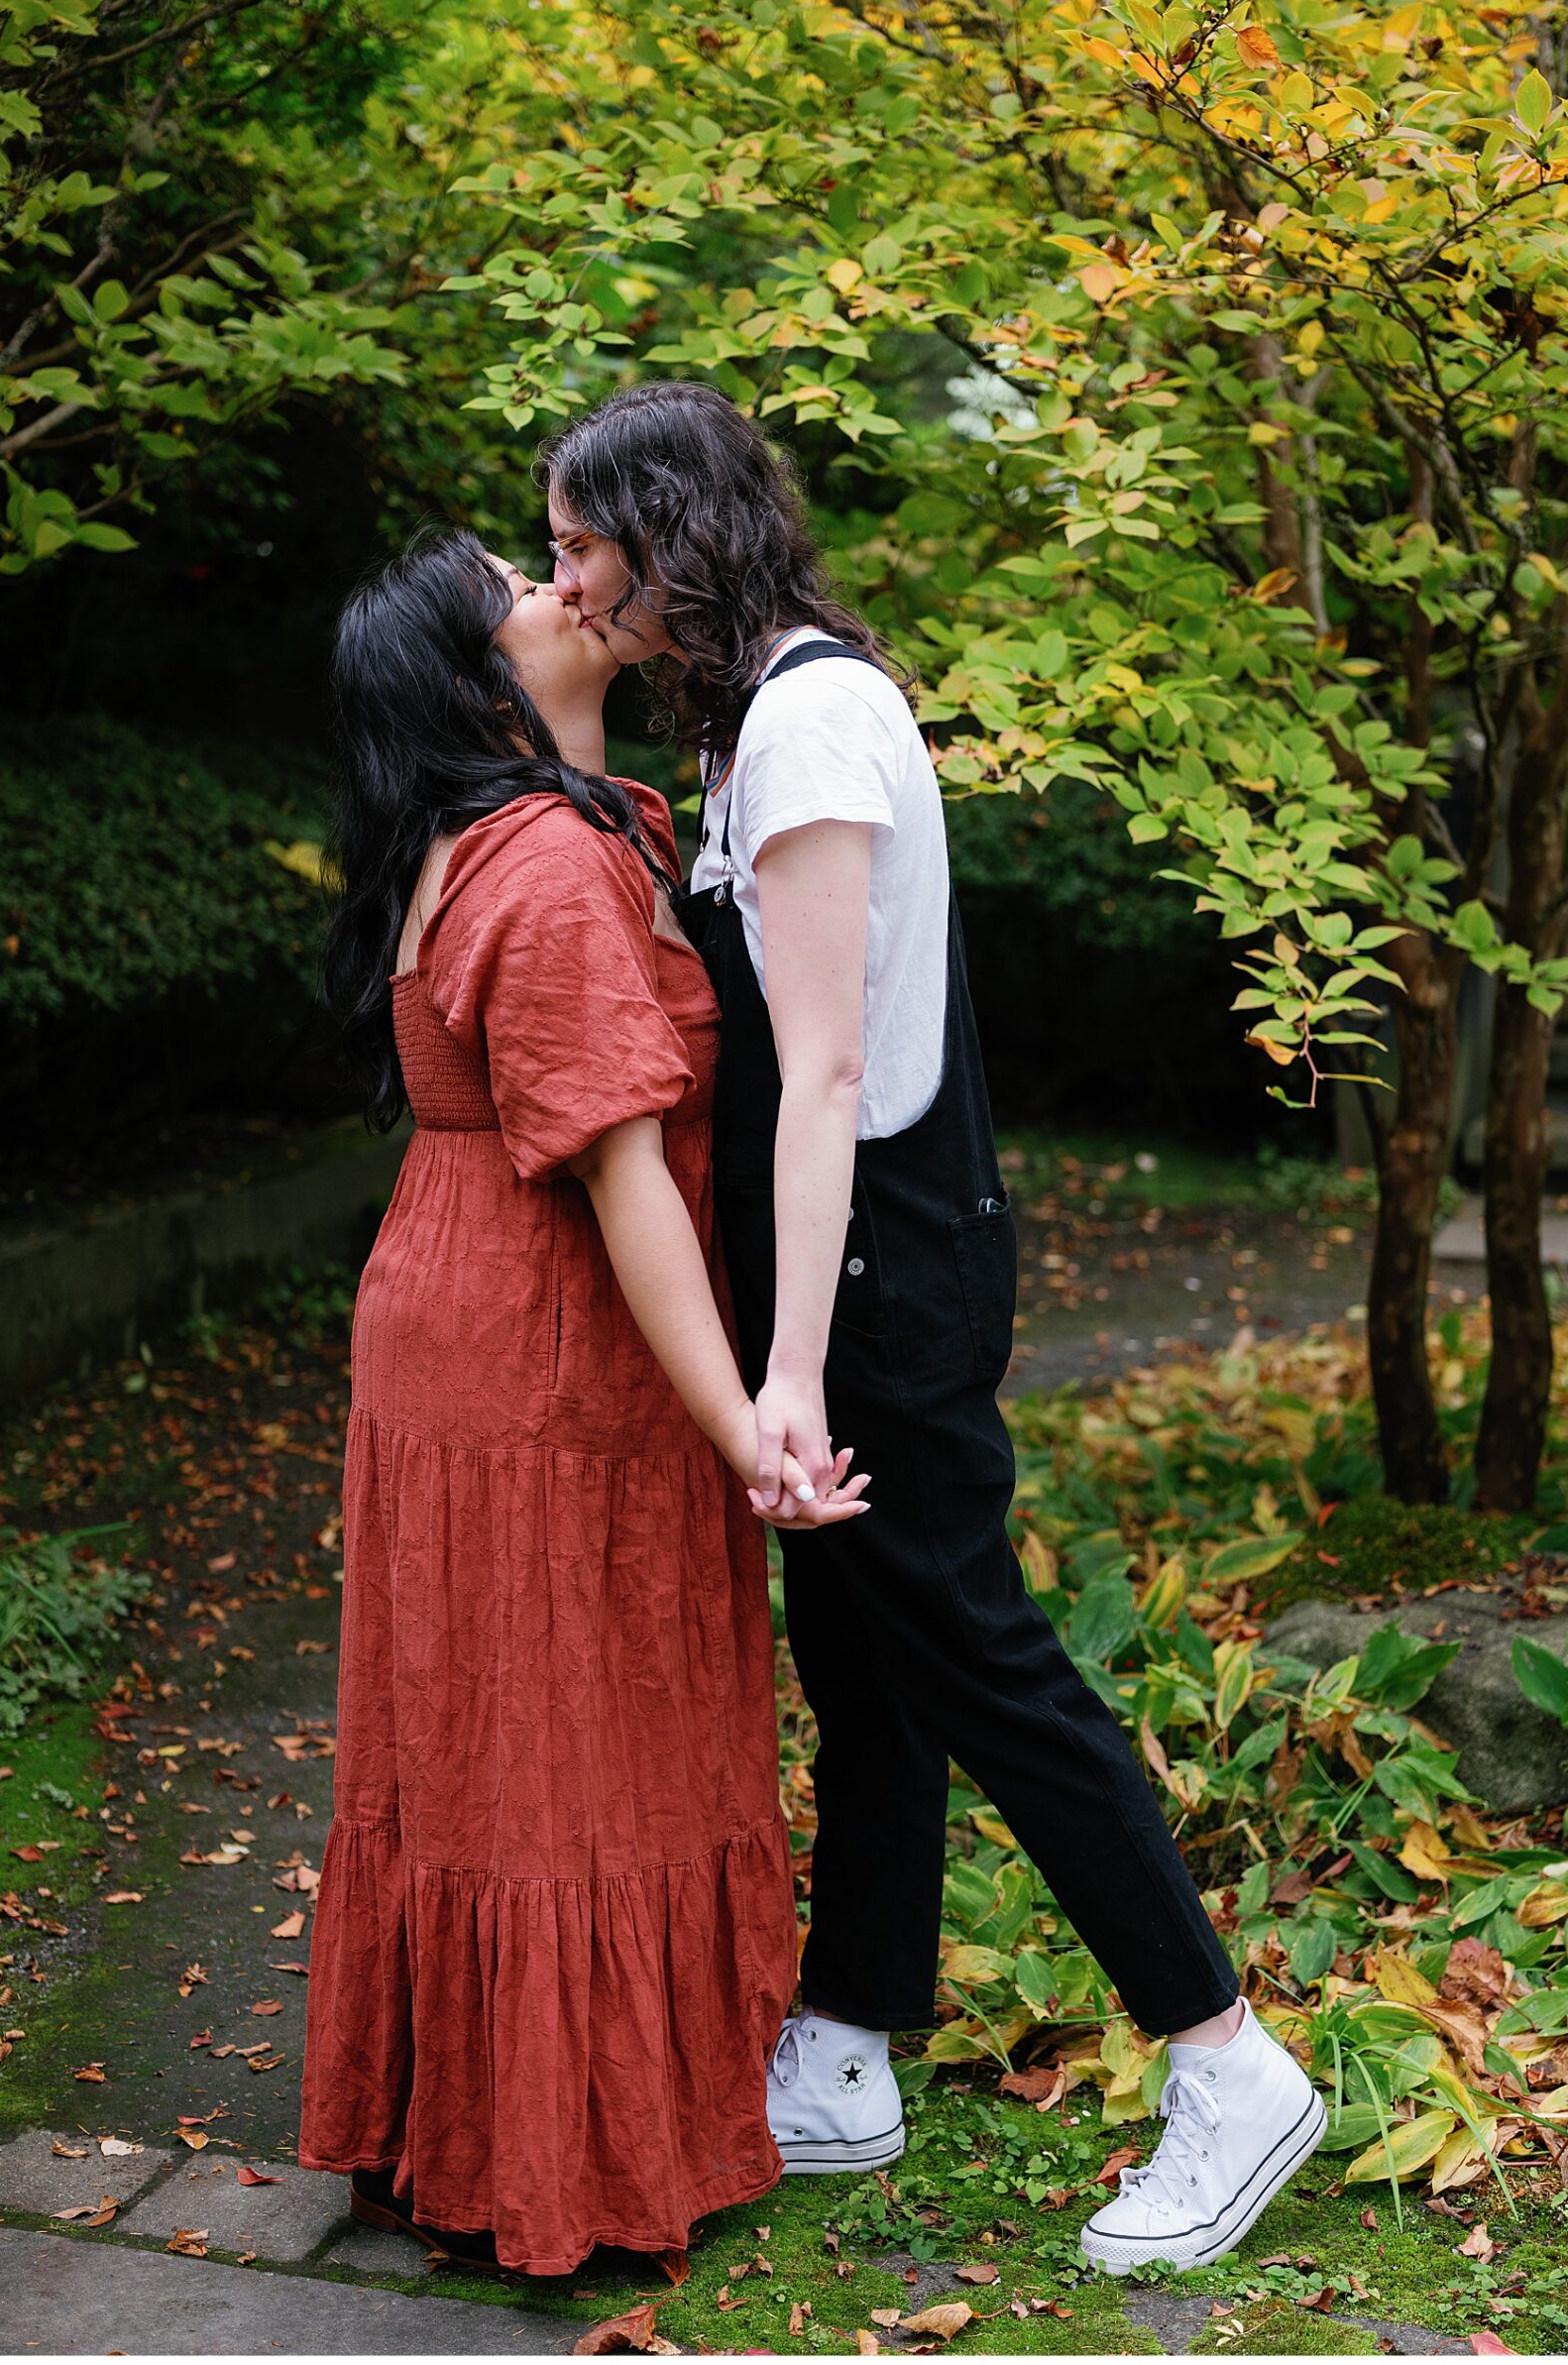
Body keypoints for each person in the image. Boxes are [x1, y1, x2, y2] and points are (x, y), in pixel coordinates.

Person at [537, 383, 1327, 2275]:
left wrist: (789, 1371)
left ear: (670, 536)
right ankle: (849, 2045)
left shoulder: (812, 716)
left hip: (877, 1266)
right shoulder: (760, 721)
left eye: (581, 543)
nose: (563, 579)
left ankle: (1225, 2062)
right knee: (868, 1652)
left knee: (973, 1653)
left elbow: (820, 1078)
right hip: (861, 1262)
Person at [295, 528, 865, 2278]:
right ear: (487, 682)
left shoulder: (557, 832)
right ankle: (554, 2152)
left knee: (506, 1734)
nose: (565, 591)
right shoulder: (542, 865)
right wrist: (747, 1426)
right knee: (555, 1746)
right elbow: (622, 1180)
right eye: (522, 591)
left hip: (481, 1312)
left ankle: (468, 2120)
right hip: (536, 1343)